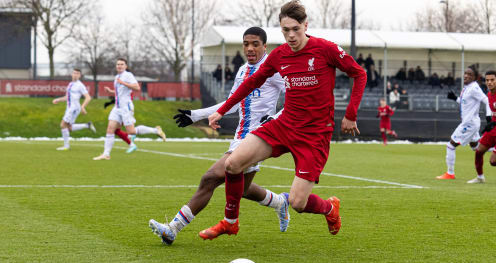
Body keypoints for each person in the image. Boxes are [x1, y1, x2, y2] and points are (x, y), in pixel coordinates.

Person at [202, 0, 367, 239]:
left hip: (314, 135)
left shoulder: (325, 49)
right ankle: (230, 222)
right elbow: (252, 82)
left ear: (305, 25)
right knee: (232, 164)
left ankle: (329, 208)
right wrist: (222, 109)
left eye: (295, 29)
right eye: (285, 30)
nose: (290, 35)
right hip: (284, 126)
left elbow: (359, 73)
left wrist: (350, 114)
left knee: (299, 203)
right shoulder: (279, 55)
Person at [147, 27, 290, 245]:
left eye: (255, 44)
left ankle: (173, 229)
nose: (250, 48)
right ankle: (280, 202)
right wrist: (197, 115)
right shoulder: (242, 70)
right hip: (240, 136)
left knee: (210, 178)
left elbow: (294, 97)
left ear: (264, 46)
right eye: (246, 44)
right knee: (241, 189)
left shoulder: (274, 70)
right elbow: (231, 103)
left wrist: (274, 119)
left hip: (258, 139)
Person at [93, 58, 166, 160]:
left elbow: (137, 87)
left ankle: (155, 130)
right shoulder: (117, 77)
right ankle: (106, 154)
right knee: (110, 129)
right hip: (117, 107)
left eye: (122, 64)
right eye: (118, 64)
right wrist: (111, 91)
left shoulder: (128, 75)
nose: (119, 66)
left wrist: (123, 83)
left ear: (126, 66)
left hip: (126, 107)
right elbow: (120, 91)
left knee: (131, 131)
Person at [436, 68, 491, 180]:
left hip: (469, 123)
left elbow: (487, 100)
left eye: (469, 74)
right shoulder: (467, 88)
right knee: (476, 147)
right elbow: (465, 102)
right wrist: (455, 98)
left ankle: (450, 173)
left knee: (451, 145)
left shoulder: (474, 88)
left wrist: (489, 117)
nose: (466, 76)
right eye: (465, 73)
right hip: (472, 122)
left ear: (475, 77)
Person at [52, 68, 96, 150]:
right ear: (72, 74)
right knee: (69, 127)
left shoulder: (80, 85)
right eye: (74, 73)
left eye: (77, 73)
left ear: (80, 75)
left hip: (74, 108)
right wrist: (58, 99)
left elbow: (88, 97)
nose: (75, 75)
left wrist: (83, 107)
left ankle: (66, 146)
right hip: (69, 108)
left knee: (62, 125)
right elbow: (67, 97)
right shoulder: (70, 84)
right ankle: (87, 125)